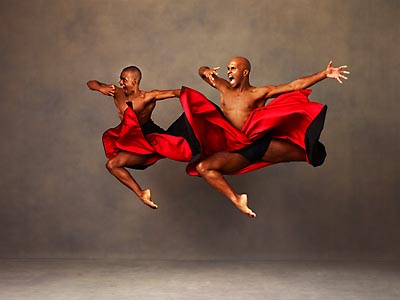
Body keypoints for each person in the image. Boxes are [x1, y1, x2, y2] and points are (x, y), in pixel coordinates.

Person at [181, 57, 349, 218]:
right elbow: (202, 72)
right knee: (203, 167)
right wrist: (206, 70)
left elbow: (294, 85)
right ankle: (238, 199)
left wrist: (324, 74)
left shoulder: (258, 93)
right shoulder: (223, 88)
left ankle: (312, 148)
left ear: (244, 73)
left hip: (256, 144)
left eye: (233, 68)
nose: (229, 72)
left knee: (311, 154)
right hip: (234, 148)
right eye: (228, 69)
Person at [87, 66, 196, 209]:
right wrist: (100, 88)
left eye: (124, 80)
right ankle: (141, 193)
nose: (120, 83)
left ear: (135, 81)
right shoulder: (116, 92)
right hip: (132, 139)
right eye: (120, 79)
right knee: (112, 165)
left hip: (149, 139)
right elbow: (91, 83)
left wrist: (196, 98)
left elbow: (176, 92)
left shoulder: (148, 97)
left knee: (188, 144)